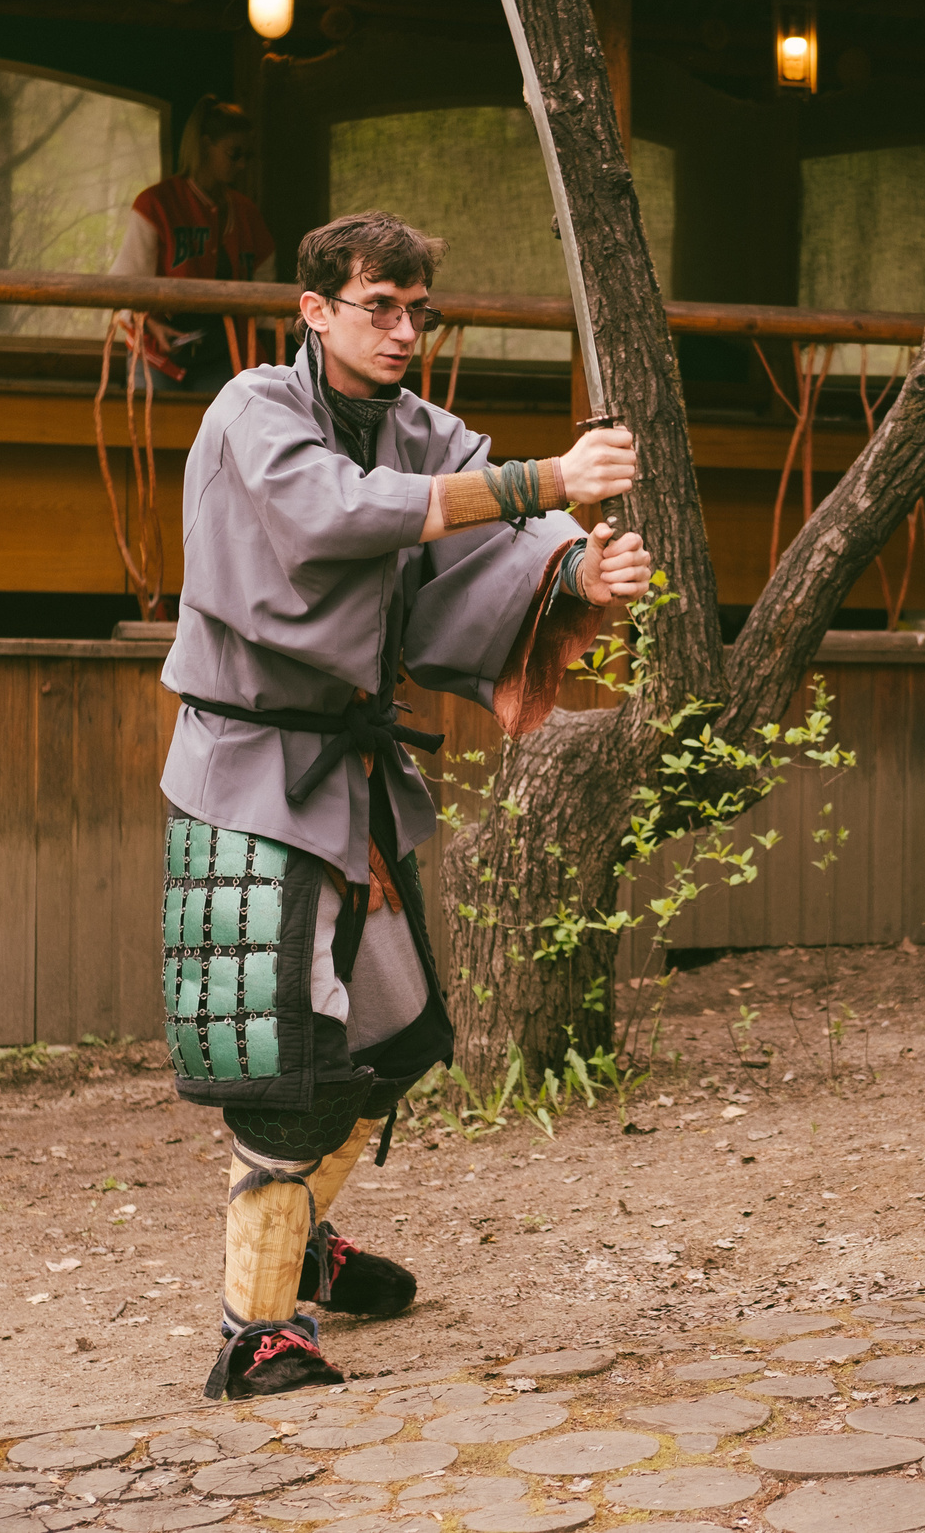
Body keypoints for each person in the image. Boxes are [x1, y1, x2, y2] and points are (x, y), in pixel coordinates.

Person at [155, 209, 653, 1400]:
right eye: (379, 305)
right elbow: (335, 513)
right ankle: (256, 1329)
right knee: (278, 1060)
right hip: (248, 775)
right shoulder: (251, 413)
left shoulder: (425, 431)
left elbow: (495, 548)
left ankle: (300, 1246)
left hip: (359, 777)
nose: (402, 329)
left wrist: (583, 569)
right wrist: (539, 481)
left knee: (388, 1039)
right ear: (314, 310)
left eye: (418, 309)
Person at [110, 94, 278, 393]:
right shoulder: (155, 204)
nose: (241, 164)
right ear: (204, 145)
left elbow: (265, 293)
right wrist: (151, 324)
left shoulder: (246, 212)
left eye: (247, 156)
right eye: (234, 153)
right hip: (159, 357)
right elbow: (122, 287)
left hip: (225, 357)